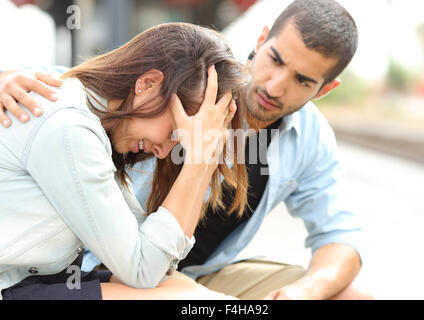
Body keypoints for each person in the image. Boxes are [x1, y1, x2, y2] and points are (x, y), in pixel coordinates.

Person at [0, 0, 374, 300]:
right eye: (275, 60)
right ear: (261, 40)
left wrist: (307, 291)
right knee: (188, 298)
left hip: (195, 269)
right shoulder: (189, 87)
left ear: (324, 90)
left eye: (302, 80)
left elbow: (339, 233)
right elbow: (84, 88)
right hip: (115, 267)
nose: (275, 86)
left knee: (351, 297)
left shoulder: (310, 137)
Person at [0, 22, 250, 300]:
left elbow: (159, 264)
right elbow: (142, 269)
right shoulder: (68, 127)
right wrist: (199, 161)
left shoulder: (95, 124)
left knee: (184, 290)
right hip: (11, 286)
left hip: (30, 283)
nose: (163, 152)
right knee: (184, 299)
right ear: (148, 83)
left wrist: (205, 158)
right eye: (172, 133)